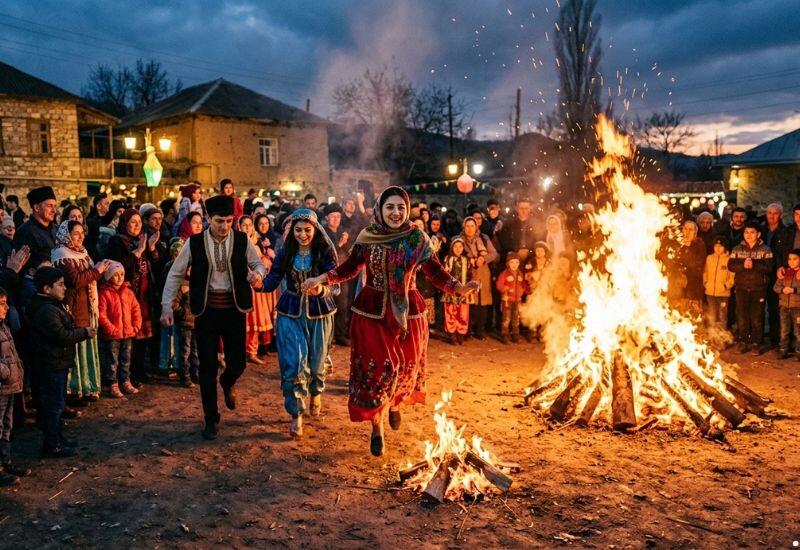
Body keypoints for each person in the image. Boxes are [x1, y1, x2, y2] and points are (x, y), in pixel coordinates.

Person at [301, 186, 478, 456]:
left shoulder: (417, 238)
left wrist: (458, 288)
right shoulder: (368, 237)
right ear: (380, 210)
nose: (395, 213)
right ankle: (377, 426)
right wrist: (322, 279)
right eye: (390, 207)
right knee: (377, 373)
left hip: (408, 314)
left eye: (400, 208)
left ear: (407, 210)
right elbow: (349, 268)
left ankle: (395, 404)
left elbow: (435, 272)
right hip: (371, 314)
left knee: (403, 370)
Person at [161, 195, 266, 440]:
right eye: (219, 221)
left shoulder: (242, 240)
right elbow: (175, 274)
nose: (225, 226)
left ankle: (228, 382)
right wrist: (167, 306)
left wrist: (257, 275)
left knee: (238, 363)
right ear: (209, 219)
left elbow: (257, 264)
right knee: (207, 367)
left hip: (234, 309)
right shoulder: (194, 243)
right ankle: (211, 419)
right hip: (206, 311)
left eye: (229, 220)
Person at [261, 209, 338, 438]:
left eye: (307, 230)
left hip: (320, 313)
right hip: (291, 312)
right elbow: (272, 280)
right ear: (291, 231)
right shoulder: (286, 251)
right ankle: (296, 414)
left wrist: (321, 288)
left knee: (315, 363)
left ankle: (316, 391)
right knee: (294, 363)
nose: (302, 235)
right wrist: (257, 283)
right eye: (298, 230)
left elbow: (337, 283)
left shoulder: (324, 252)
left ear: (315, 229)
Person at [28, 267, 96, 458]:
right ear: (47, 288)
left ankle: (58, 438)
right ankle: (52, 444)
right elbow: (61, 335)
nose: (64, 288)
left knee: (57, 403)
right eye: (60, 284)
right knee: (54, 406)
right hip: (51, 364)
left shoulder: (52, 306)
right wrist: (84, 333)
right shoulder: (46, 310)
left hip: (57, 363)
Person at [51, 220, 110, 404]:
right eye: (75, 233)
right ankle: (73, 390)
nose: (80, 236)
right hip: (73, 308)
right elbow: (74, 280)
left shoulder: (83, 253)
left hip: (87, 308)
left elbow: (89, 278)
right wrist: (97, 270)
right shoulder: (61, 254)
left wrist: (99, 271)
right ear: (67, 235)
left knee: (86, 348)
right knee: (75, 350)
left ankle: (88, 387)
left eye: (81, 232)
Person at [106, 209, 160, 386]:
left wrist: (150, 249)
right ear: (124, 223)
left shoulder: (140, 240)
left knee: (143, 334)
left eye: (139, 222)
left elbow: (153, 264)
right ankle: (126, 374)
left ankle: (140, 370)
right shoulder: (117, 241)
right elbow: (118, 267)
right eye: (133, 222)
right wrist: (137, 252)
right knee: (129, 337)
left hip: (144, 295)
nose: (137, 225)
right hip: (126, 295)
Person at [728, 221, 774, 355]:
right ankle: (743, 342)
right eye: (746, 232)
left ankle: (756, 343)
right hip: (741, 287)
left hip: (758, 288)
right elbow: (731, 265)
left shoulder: (765, 249)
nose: (749, 235)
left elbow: (769, 267)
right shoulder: (737, 248)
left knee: (756, 317)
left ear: (758, 234)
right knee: (742, 316)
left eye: (752, 232)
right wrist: (743, 265)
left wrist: (754, 265)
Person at [98, 262, 142, 397]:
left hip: (127, 333)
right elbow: (101, 314)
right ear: (109, 276)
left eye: (122, 274)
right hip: (113, 335)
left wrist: (136, 326)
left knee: (126, 359)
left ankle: (125, 380)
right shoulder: (104, 293)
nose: (119, 278)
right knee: (112, 360)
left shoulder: (128, 292)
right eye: (115, 275)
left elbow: (136, 309)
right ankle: (112, 383)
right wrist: (110, 329)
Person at [0, 287, 29, 485]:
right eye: (1, 304)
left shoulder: (4, 326)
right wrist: (6, 373)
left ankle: (5, 461)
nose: (6, 308)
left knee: (6, 426)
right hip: (3, 385)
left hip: (10, 386)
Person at [238, 215, 274, 366]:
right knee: (244, 320)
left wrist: (266, 259)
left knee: (255, 320)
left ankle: (252, 352)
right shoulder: (238, 243)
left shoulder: (257, 243)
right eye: (244, 225)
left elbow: (262, 263)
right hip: (243, 286)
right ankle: (240, 352)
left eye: (249, 225)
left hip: (256, 287)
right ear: (239, 227)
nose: (247, 228)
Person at [461, 216, 497, 340]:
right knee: (469, 302)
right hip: (467, 273)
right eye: (467, 226)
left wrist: (484, 258)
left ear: (476, 227)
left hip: (483, 272)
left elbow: (494, 254)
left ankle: (480, 330)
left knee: (482, 302)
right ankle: (467, 329)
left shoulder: (484, 238)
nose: (470, 229)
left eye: (472, 226)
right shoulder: (459, 239)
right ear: (463, 227)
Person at [760, 203, 788, 350]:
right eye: (769, 212)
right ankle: (758, 339)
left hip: (776, 274)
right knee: (758, 308)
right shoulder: (761, 230)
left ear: (780, 215)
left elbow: (785, 253)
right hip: (761, 273)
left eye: (775, 213)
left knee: (774, 309)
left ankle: (775, 340)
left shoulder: (785, 232)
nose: (772, 215)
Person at [323, 203, 352, 346]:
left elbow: (349, 253)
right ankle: (328, 337)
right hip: (327, 276)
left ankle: (340, 335)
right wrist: (340, 244)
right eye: (332, 216)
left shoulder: (342, 232)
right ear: (326, 218)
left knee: (342, 305)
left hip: (342, 275)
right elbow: (325, 254)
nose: (336, 219)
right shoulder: (323, 234)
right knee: (328, 306)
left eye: (338, 216)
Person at [13, 187, 57, 275]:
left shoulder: (57, 229)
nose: (54, 210)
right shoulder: (24, 232)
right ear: (36, 208)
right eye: (49, 206)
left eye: (55, 206)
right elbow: (25, 266)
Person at [442, 237, 472, 345]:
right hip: (451, 291)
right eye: (455, 246)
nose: (458, 249)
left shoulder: (467, 260)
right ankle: (452, 333)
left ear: (463, 248)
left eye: (460, 246)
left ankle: (461, 332)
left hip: (464, 291)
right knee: (450, 312)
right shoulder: (447, 259)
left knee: (463, 313)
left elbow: (470, 275)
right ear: (452, 248)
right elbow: (444, 276)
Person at [703, 237, 735, 334]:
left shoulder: (729, 259)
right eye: (716, 246)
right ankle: (713, 339)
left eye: (720, 246)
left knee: (722, 317)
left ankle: (722, 340)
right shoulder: (709, 258)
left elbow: (732, 277)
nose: (718, 248)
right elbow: (705, 272)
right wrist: (705, 283)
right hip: (710, 293)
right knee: (712, 316)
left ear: (725, 247)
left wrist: (725, 286)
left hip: (723, 294)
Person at [773, 249, 800, 360]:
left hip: (798, 308)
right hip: (784, 307)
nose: (791, 261)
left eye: (795, 259)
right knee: (784, 330)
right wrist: (783, 289)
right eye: (789, 259)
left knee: (798, 331)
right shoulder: (785, 273)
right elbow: (775, 287)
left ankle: (798, 351)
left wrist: (794, 290)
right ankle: (783, 349)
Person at [496, 252, 528, 344]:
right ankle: (505, 334)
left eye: (516, 262)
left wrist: (524, 290)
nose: (514, 265)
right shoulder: (504, 273)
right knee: (506, 318)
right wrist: (503, 289)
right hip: (507, 300)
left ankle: (515, 334)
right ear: (508, 263)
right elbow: (499, 284)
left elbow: (523, 285)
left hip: (517, 300)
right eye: (512, 262)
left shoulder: (520, 274)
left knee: (516, 317)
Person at [497, 197, 538, 262]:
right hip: (513, 258)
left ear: (530, 208)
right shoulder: (509, 223)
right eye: (521, 208)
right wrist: (517, 250)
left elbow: (538, 240)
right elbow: (505, 241)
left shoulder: (536, 223)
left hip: (532, 258)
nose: (524, 211)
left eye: (526, 208)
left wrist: (530, 251)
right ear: (517, 209)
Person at [678, 220, 707, 313]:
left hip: (694, 284)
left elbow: (698, 263)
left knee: (694, 313)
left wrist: (685, 268)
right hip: (679, 285)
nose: (687, 231)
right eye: (685, 229)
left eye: (690, 229)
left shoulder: (699, 244)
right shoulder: (677, 243)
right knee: (679, 311)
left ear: (695, 231)